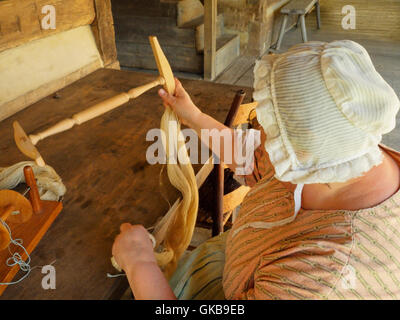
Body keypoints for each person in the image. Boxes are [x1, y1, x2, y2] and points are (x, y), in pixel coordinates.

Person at [112, 40, 400, 300]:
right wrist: (194, 117)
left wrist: (139, 262)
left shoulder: (323, 278)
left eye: (267, 129)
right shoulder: (334, 154)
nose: (257, 134)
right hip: (238, 259)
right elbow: (248, 155)